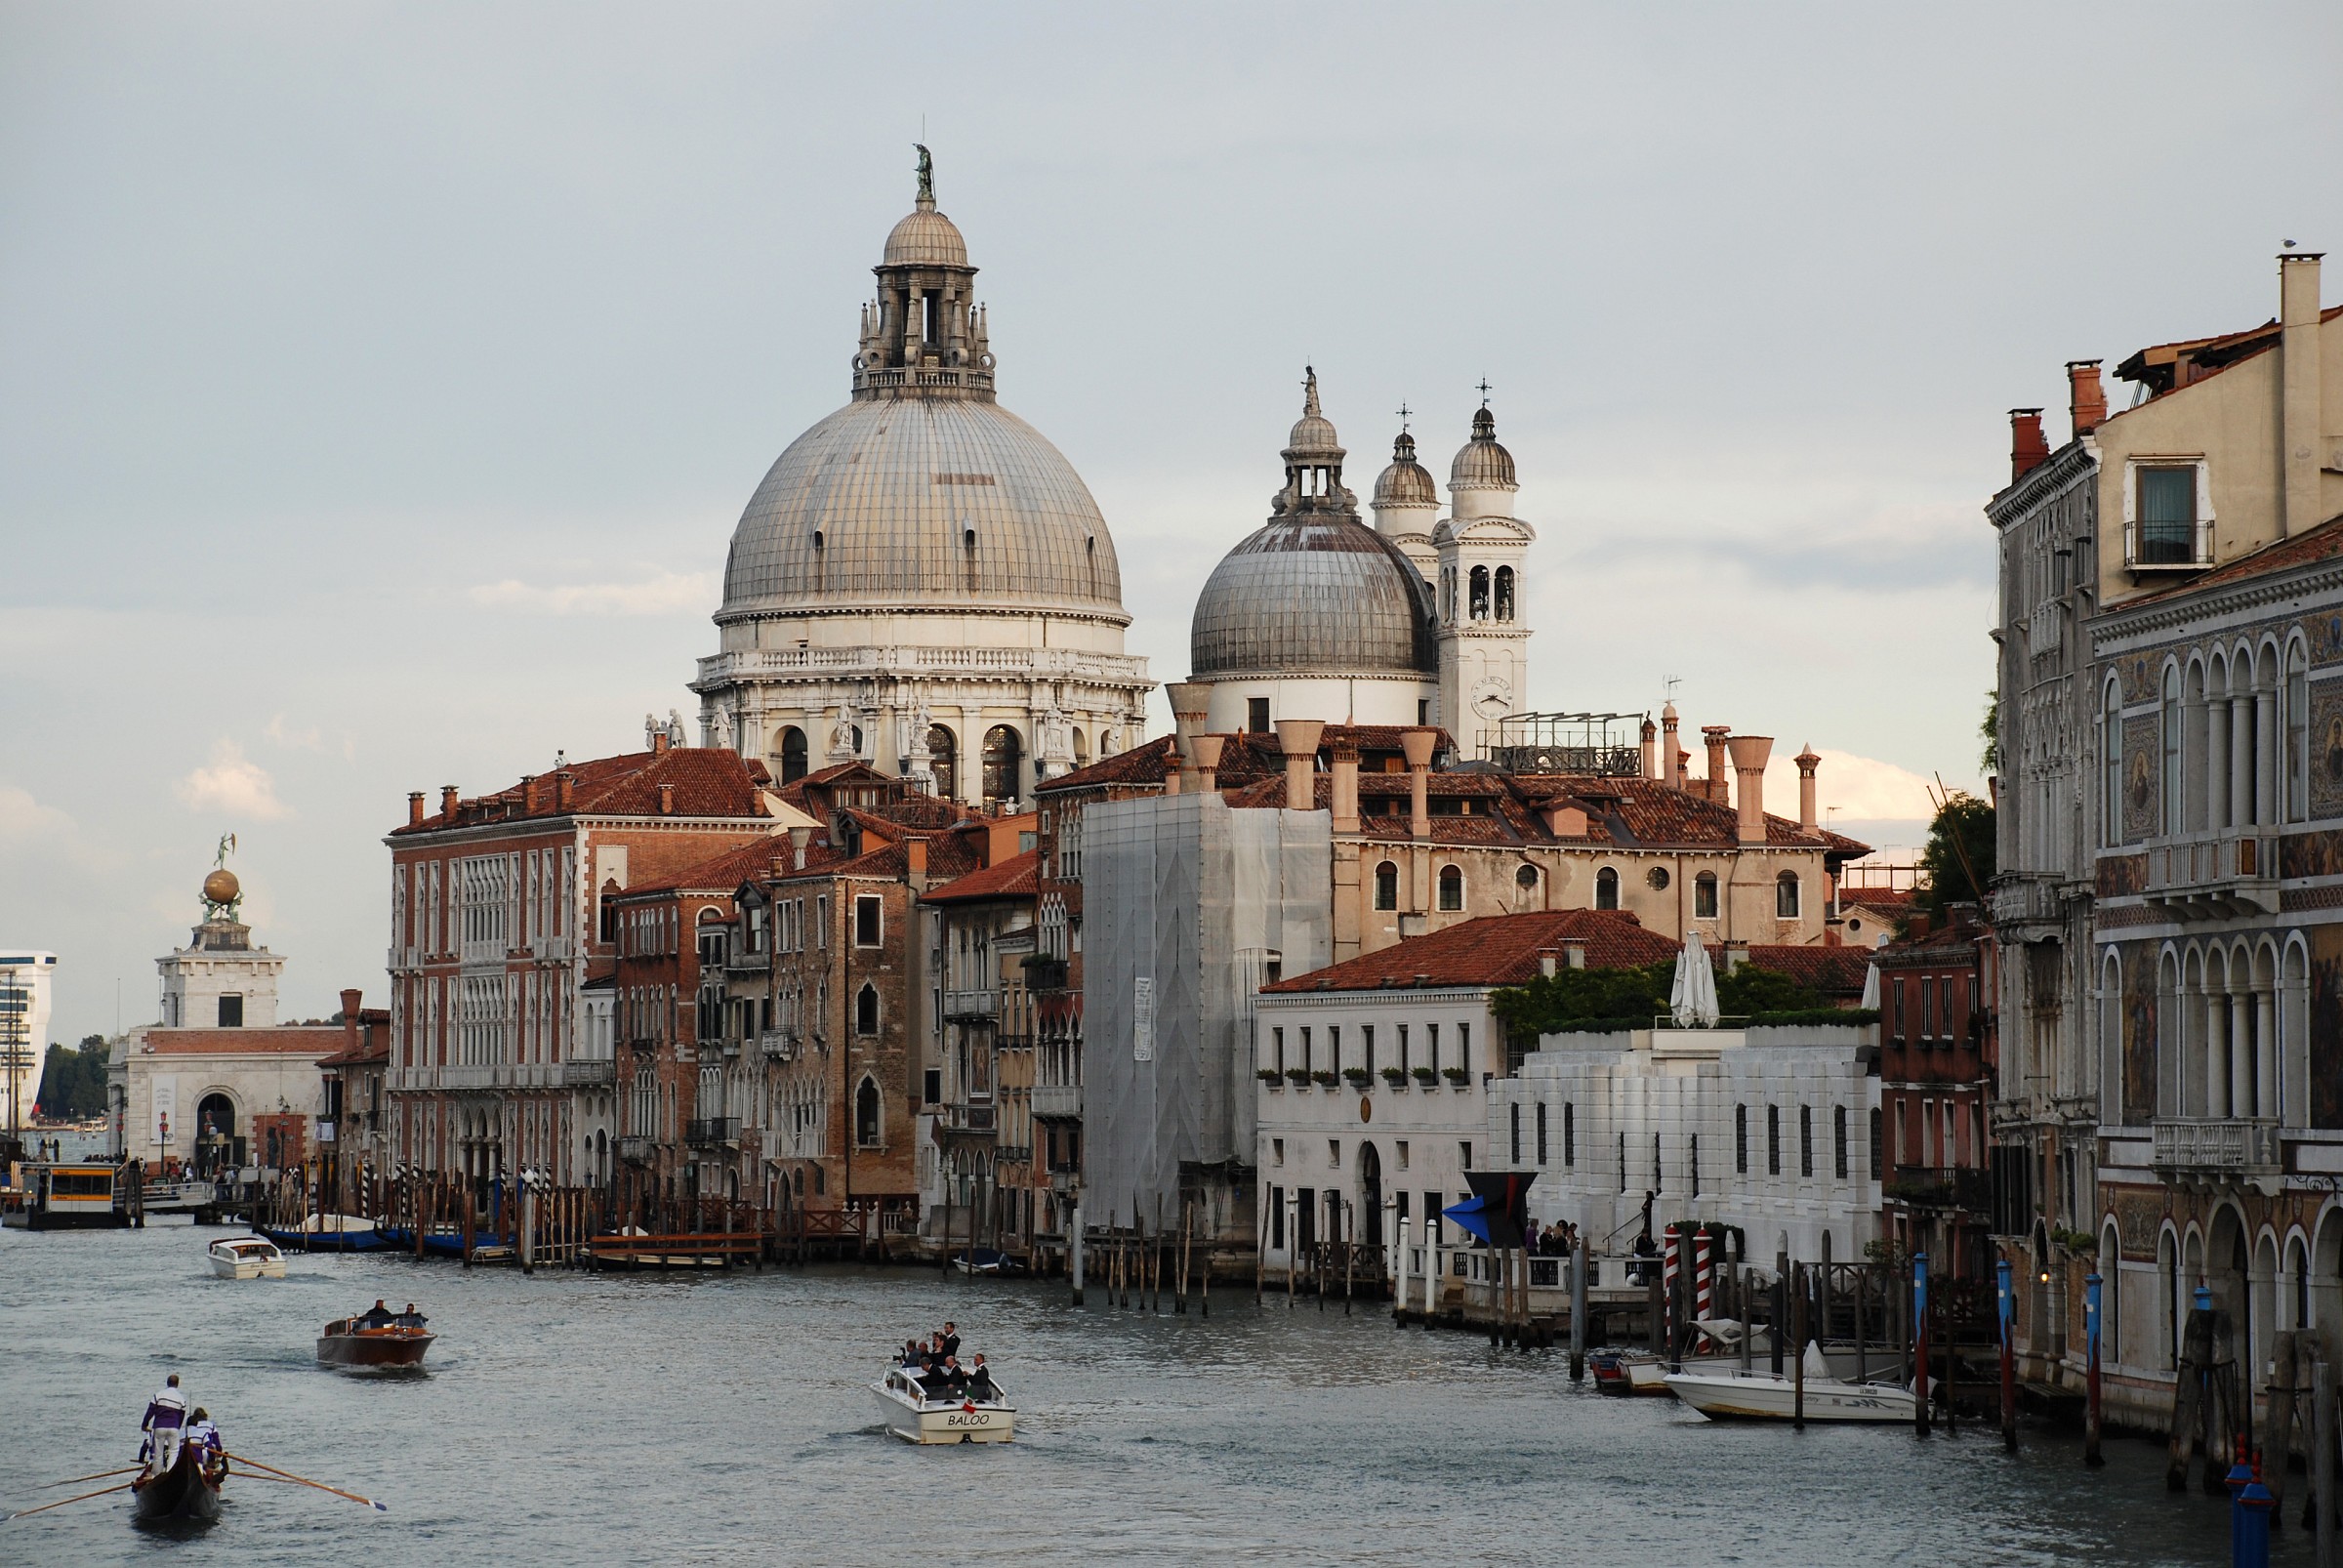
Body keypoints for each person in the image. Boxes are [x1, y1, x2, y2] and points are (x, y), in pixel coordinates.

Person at [142, 1373, 186, 1467]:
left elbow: (150, 1411)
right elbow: (181, 1416)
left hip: (159, 1427)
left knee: (158, 1453)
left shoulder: (158, 1395)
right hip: (174, 1428)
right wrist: (177, 1427)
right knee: (174, 1452)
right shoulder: (181, 1399)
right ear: (177, 1384)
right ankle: (170, 1472)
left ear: (167, 1383)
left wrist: (144, 1425)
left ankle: (156, 1475)